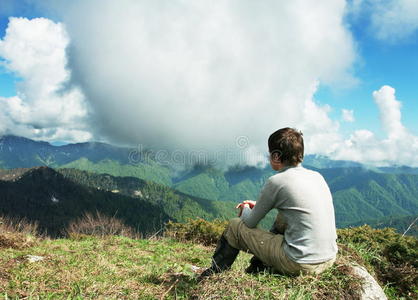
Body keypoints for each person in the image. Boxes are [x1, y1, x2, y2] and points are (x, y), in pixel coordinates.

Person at [199, 127, 338, 279]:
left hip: (299, 263)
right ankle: (258, 267)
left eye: (270, 153)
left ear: (276, 156)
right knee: (283, 217)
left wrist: (245, 208)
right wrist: (259, 205)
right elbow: (295, 207)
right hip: (328, 259)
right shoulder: (317, 176)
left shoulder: (277, 181)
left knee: (234, 226)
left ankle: (214, 274)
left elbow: (250, 222)